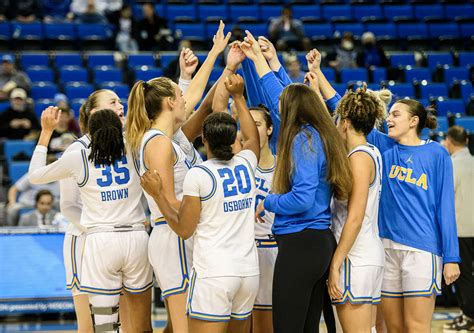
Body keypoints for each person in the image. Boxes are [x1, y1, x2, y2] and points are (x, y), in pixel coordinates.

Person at [125, 21, 231, 333]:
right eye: (179, 97)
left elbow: (200, 95)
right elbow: (170, 201)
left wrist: (218, 55)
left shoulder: (169, 137)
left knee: (177, 324)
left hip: (180, 232)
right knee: (186, 324)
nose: (185, 99)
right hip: (174, 233)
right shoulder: (157, 142)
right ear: (170, 103)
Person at [140, 74, 260, 333]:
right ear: (233, 141)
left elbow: (184, 227)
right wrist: (238, 96)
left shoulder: (200, 174)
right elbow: (252, 140)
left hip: (212, 269)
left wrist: (158, 194)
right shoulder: (247, 164)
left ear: (203, 139)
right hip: (248, 271)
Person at [29, 107, 153, 332]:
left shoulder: (78, 156)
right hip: (137, 236)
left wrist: (46, 132)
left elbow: (35, 175)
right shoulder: (136, 146)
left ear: (90, 134)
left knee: (105, 324)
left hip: (101, 240)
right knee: (141, 322)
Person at [57, 88, 137, 333]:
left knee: (125, 323)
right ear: (95, 113)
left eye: (120, 101)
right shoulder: (76, 150)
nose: (120, 105)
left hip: (122, 241)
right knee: (90, 325)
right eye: (113, 102)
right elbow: (68, 206)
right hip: (84, 240)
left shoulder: (130, 143)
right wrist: (98, 228)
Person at [323, 84, 387, 333]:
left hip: (355, 256)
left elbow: (355, 217)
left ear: (346, 122)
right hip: (367, 253)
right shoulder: (372, 152)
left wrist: (335, 264)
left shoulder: (359, 158)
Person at [443, 126, 474, 332]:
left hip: (462, 228)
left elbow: (446, 197)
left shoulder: (452, 165)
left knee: (464, 276)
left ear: (450, 141)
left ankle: (468, 316)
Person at [7, 159, 59, 226]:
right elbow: (14, 189)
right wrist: (12, 202)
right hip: (27, 204)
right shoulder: (33, 175)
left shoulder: (61, 181)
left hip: (50, 205)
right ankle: (11, 231)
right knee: (12, 209)